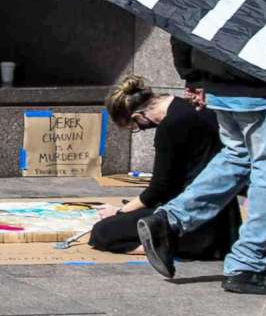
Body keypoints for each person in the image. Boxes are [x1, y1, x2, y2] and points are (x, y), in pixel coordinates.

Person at [137, 41, 266, 296]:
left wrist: (194, 77)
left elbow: (180, 18)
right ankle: (247, 265)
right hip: (262, 83)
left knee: (238, 156)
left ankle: (169, 219)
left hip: (218, 77)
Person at [88, 74, 240, 261]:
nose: (141, 129)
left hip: (194, 222)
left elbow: (159, 189)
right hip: (224, 219)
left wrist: (119, 213)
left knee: (102, 232)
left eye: (135, 126)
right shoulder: (194, 107)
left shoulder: (170, 126)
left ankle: (155, 246)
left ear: (138, 116)